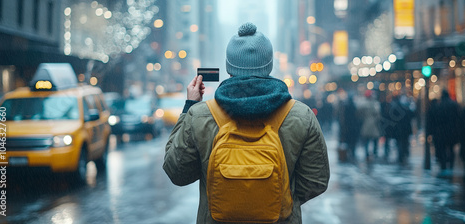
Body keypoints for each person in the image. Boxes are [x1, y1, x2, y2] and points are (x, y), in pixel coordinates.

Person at [163, 22, 330, 223]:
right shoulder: (301, 115)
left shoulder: (200, 115)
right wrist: (274, 199)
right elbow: (316, 181)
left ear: (229, 67)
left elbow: (177, 172)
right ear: (268, 65)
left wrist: (190, 105)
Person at [432, 90, 460, 174]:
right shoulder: (454, 105)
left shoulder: (439, 106)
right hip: (451, 131)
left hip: (441, 132)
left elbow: (435, 120)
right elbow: (458, 118)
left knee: (442, 148)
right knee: (451, 148)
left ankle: (443, 164)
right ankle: (450, 164)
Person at [356, 89, 381, 161]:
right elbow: (378, 115)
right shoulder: (375, 104)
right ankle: (374, 153)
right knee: (374, 140)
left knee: (366, 141)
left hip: (366, 124)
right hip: (374, 125)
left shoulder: (363, 104)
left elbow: (358, 113)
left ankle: (367, 154)